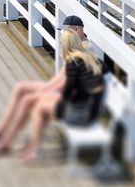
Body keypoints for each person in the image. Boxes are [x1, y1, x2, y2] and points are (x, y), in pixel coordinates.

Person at [0, 16, 89, 153]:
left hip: (73, 98)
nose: (63, 34)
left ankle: (4, 143)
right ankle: (1, 129)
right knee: (20, 88)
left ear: (77, 30)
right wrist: (46, 88)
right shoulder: (75, 45)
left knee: (28, 100)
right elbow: (62, 76)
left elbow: (66, 83)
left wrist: (43, 92)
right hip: (67, 90)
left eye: (66, 31)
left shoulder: (84, 50)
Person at [10, 29, 105, 162]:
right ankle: (32, 144)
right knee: (41, 102)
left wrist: (50, 96)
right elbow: (99, 72)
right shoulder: (89, 58)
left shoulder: (74, 62)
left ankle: (34, 149)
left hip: (80, 114)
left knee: (39, 108)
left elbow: (67, 92)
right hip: (89, 108)